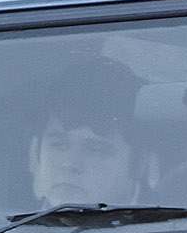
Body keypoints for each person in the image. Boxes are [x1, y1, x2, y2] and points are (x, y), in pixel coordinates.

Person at [30, 57, 151, 207]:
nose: (70, 164)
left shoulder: (179, 224)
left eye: (96, 149)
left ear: (139, 164)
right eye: (58, 144)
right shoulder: (3, 223)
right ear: (37, 152)